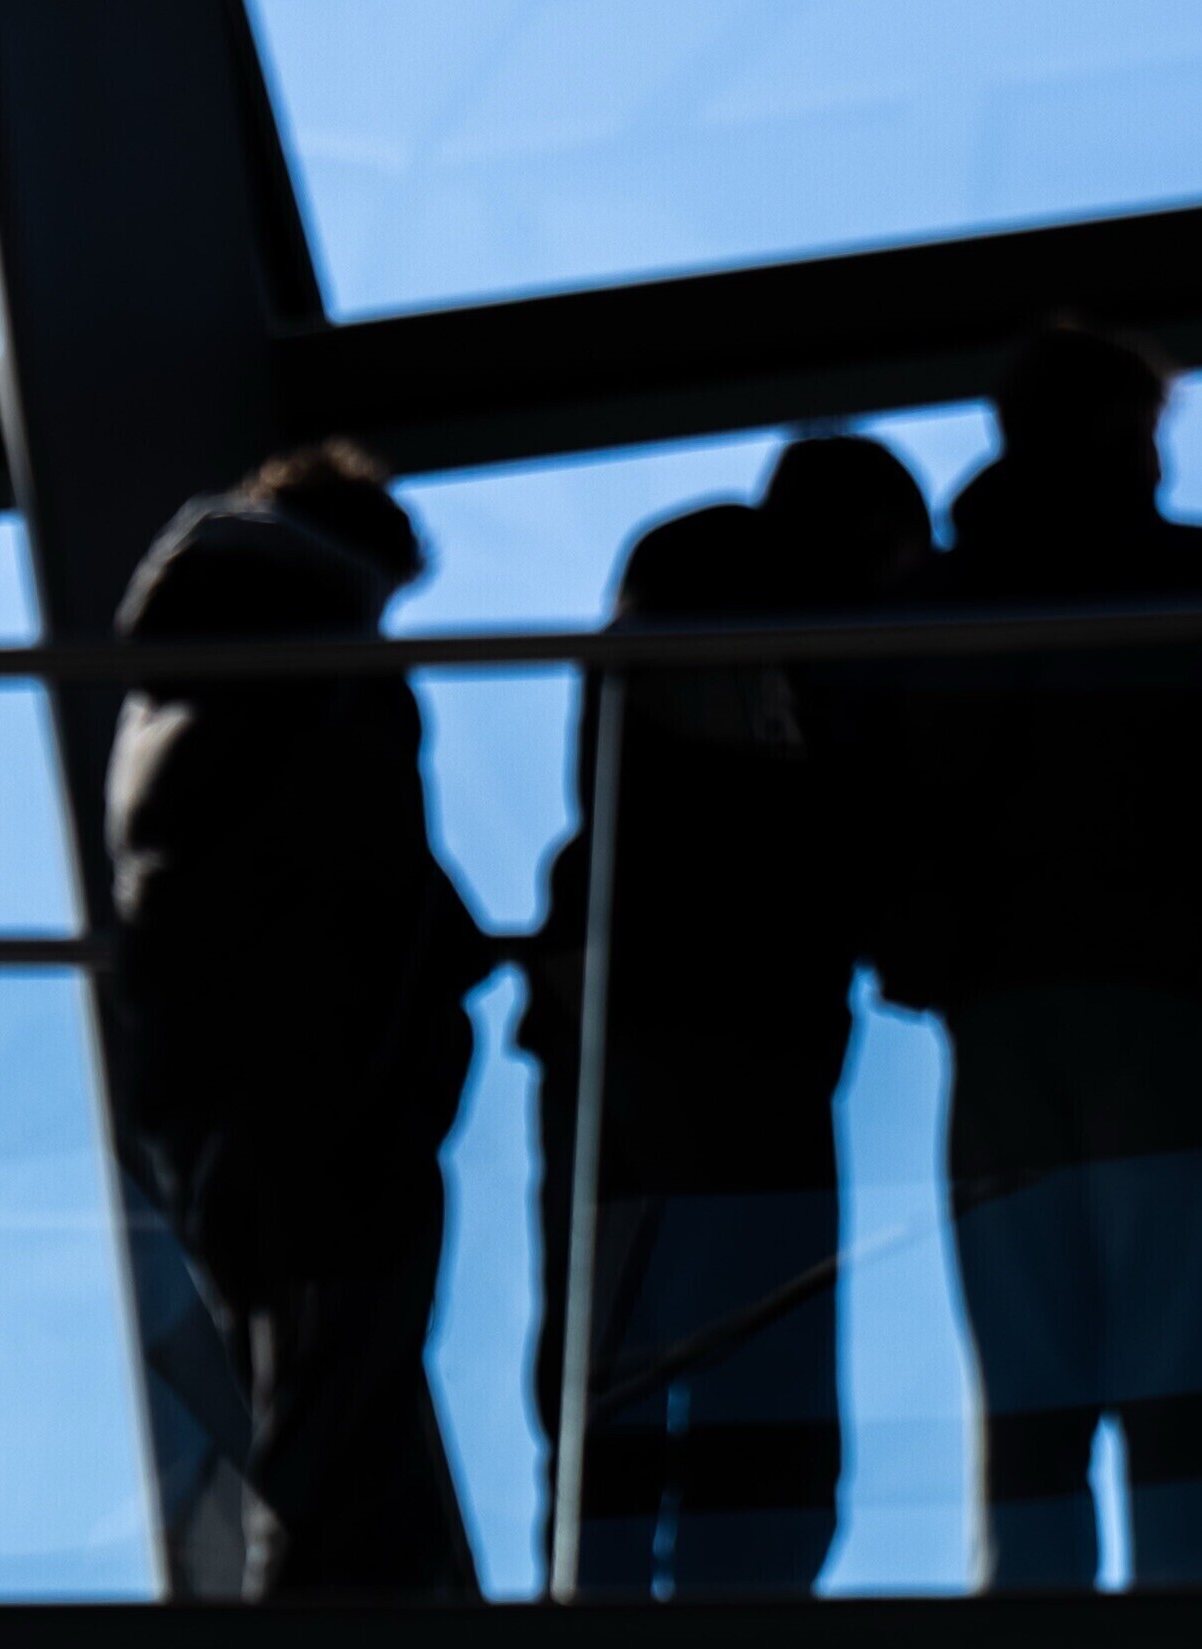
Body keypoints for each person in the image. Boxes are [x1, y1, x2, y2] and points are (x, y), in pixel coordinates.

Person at [868, 323, 1202, 1593]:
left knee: (1030, 1364)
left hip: (998, 1009)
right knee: (1197, 1342)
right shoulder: (1194, 575)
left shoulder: (934, 598)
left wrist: (927, 954)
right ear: (1119, 430)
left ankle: (1036, 1600)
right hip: (1165, 996)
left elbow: (877, 799)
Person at [513, 436, 916, 1601]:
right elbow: (807, 817)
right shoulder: (795, 642)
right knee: (759, 1382)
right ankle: (735, 1605)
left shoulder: (672, 596)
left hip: (607, 1017)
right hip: (744, 1031)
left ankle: (594, 1589)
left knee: (607, 1365)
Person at [102, 438, 495, 1600]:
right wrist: (430, 1016)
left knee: (320, 1388)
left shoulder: (190, 669)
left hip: (217, 1089)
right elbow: (363, 874)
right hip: (325, 1094)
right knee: (340, 1402)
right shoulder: (324, 667)